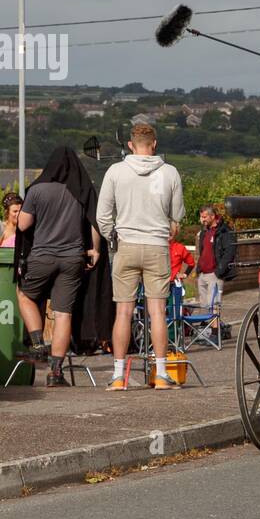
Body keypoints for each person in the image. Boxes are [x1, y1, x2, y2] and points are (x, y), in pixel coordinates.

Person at [97, 122, 185, 390]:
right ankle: (160, 373)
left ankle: (117, 376)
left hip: (126, 245)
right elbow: (177, 215)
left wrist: (113, 236)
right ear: (155, 144)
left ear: (130, 145)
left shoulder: (115, 171)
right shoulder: (170, 173)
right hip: (157, 245)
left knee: (122, 312)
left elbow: (102, 216)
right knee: (158, 311)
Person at [16, 148, 102, 387]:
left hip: (42, 257)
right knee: (64, 313)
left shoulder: (37, 190)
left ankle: (37, 345)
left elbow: (23, 225)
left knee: (25, 296)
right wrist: (94, 250)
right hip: (73, 258)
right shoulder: (81, 191)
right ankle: (55, 372)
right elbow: (95, 222)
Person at [193, 204, 237, 327]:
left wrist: (219, 270)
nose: (203, 219)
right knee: (204, 305)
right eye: (201, 217)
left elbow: (230, 251)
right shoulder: (204, 231)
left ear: (212, 216)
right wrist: (198, 270)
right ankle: (205, 331)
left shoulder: (224, 230)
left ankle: (215, 332)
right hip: (203, 273)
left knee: (214, 305)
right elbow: (202, 251)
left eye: (205, 217)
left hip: (214, 273)